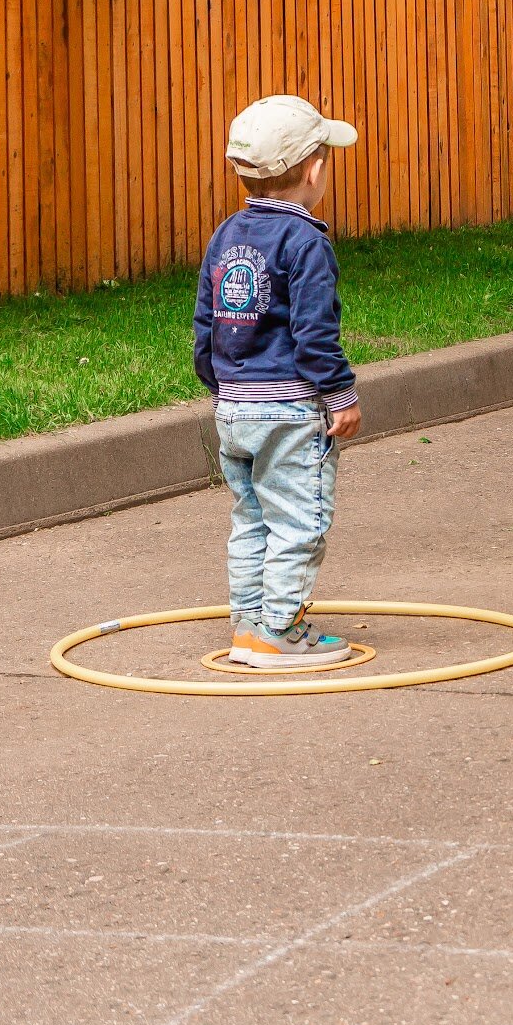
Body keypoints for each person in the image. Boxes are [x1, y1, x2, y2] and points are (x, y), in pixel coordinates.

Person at [195, 95, 364, 667]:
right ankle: (278, 634)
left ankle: (248, 626)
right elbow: (315, 331)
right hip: (290, 410)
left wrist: (220, 386)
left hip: (234, 406)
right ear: (314, 170)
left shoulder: (225, 236)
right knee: (298, 522)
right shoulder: (307, 241)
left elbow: (206, 321)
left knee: (252, 518)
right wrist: (339, 393)